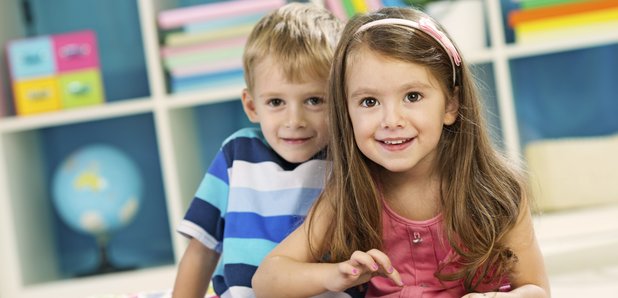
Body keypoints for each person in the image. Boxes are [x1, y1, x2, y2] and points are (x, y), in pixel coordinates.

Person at [253, 6, 550, 298]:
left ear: (450, 105)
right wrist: (335, 274)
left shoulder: (498, 192)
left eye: (412, 96)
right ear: (346, 112)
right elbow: (268, 280)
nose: (391, 120)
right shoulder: (349, 194)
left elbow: (537, 290)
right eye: (369, 102)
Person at [171, 3, 343, 298]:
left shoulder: (347, 159)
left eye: (314, 100)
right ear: (252, 106)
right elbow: (201, 252)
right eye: (276, 102)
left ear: (339, 99)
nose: (295, 121)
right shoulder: (237, 155)